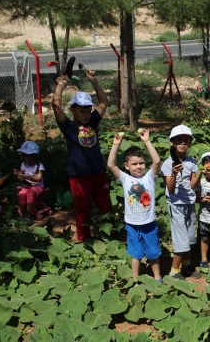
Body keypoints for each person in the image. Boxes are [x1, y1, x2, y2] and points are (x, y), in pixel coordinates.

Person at [52, 73, 112, 242]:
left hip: (98, 172)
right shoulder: (68, 126)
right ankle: (85, 240)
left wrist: (94, 81)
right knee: (83, 211)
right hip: (79, 177)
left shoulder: (93, 121)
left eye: (88, 111)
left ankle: (111, 236)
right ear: (73, 110)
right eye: (81, 111)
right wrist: (61, 85)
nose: (85, 115)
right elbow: (56, 105)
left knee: (106, 207)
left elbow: (103, 102)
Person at [107, 128, 162, 281]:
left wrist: (147, 141)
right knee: (136, 254)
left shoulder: (149, 178)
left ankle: (157, 278)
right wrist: (116, 145)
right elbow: (111, 165)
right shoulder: (125, 179)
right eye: (134, 164)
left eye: (141, 163)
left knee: (153, 253)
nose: (138, 166)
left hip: (149, 223)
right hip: (132, 224)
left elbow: (157, 161)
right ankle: (136, 281)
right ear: (126, 166)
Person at [161, 125, 201, 280]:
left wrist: (201, 172)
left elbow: (192, 185)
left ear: (190, 143)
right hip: (176, 205)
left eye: (186, 140)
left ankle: (187, 265)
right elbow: (170, 189)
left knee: (189, 237)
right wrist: (174, 173)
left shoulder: (191, 162)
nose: (183, 143)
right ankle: (173, 271)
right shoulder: (168, 163)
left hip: (189, 203)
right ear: (172, 143)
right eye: (179, 140)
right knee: (181, 239)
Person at [14, 141, 45, 220]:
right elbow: (20, 176)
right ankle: (23, 214)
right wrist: (17, 175)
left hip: (37, 186)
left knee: (30, 193)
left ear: (32, 156)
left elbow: (38, 179)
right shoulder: (23, 164)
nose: (22, 157)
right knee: (21, 193)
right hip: (26, 186)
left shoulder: (40, 166)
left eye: (24, 155)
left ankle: (28, 213)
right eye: (22, 155)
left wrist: (26, 177)